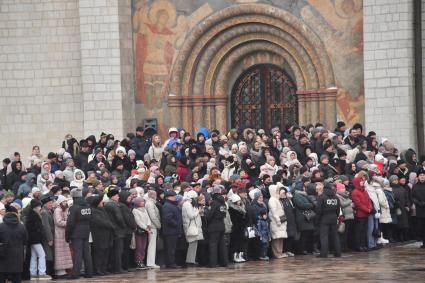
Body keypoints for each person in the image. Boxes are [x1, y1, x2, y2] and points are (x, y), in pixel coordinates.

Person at [65, 188, 93, 279]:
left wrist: (67, 236)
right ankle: (89, 273)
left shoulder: (74, 208)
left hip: (76, 233)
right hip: (86, 231)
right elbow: (91, 218)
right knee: (87, 253)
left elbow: (70, 223)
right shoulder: (87, 206)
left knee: (78, 254)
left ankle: (75, 274)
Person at [0, 205, 28, 283]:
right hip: (17, 258)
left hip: (2, 258)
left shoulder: (1, 226)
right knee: (16, 279)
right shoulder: (21, 227)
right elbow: (25, 240)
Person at [25, 199, 52, 280]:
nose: (40, 207)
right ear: (35, 207)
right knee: (42, 255)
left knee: (34, 256)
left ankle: (32, 274)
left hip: (32, 239)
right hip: (36, 239)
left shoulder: (30, 215)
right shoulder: (35, 215)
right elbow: (39, 228)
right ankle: (42, 273)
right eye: (39, 206)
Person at [315, 183, 341, 258]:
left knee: (324, 236)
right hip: (333, 218)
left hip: (324, 218)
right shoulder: (336, 197)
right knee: (335, 236)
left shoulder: (322, 197)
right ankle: (338, 252)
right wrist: (336, 216)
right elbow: (338, 209)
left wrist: (318, 220)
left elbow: (319, 210)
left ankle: (324, 253)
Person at [104, 188, 126, 273]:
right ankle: (118, 268)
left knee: (113, 250)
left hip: (111, 230)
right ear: (112, 196)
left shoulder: (106, 205)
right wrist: (123, 226)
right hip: (118, 230)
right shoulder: (114, 205)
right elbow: (119, 218)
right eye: (117, 196)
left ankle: (113, 267)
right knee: (118, 250)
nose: (118, 197)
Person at [206, 188, 228, 268]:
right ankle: (224, 262)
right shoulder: (223, 204)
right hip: (222, 225)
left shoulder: (214, 203)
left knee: (213, 245)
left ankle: (213, 263)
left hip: (214, 226)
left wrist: (206, 218)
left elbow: (210, 215)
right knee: (222, 245)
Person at [161, 190, 183, 268]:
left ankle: (171, 262)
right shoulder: (167, 206)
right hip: (170, 231)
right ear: (168, 197)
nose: (175, 197)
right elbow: (168, 219)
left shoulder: (172, 205)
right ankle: (171, 263)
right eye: (173, 196)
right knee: (170, 248)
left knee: (172, 248)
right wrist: (176, 224)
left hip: (174, 231)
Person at [53, 195, 73, 278]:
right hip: (59, 234)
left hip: (64, 233)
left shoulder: (64, 209)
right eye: (64, 201)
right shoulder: (58, 210)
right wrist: (69, 223)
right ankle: (59, 271)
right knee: (60, 253)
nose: (65, 203)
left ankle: (63, 270)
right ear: (60, 202)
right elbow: (58, 221)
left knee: (64, 253)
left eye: (66, 201)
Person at [182, 190, 203, 266]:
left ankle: (191, 260)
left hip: (192, 226)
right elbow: (191, 215)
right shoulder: (187, 204)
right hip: (190, 226)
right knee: (192, 244)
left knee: (194, 244)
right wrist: (198, 211)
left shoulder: (188, 204)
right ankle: (190, 261)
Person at [351, 176, 372, 252]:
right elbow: (358, 204)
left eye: (362, 181)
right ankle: (358, 246)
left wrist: (370, 208)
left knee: (364, 231)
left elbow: (369, 200)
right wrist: (367, 209)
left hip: (366, 213)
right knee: (359, 231)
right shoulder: (355, 192)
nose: (362, 182)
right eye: (360, 181)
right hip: (360, 215)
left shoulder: (365, 191)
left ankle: (363, 245)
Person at [268, 184, 287, 258]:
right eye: (277, 190)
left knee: (280, 238)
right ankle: (276, 254)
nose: (278, 191)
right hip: (276, 222)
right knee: (276, 238)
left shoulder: (277, 199)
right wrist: (278, 220)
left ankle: (280, 252)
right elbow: (274, 211)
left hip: (281, 221)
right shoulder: (272, 200)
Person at [132, 197, 151, 270]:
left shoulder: (144, 209)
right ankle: (138, 261)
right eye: (142, 201)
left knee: (143, 247)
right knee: (139, 247)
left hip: (146, 230)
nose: (143, 202)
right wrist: (145, 228)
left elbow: (148, 218)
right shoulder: (135, 210)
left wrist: (148, 225)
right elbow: (138, 221)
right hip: (140, 231)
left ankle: (142, 260)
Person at [145, 190, 161, 268]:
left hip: (152, 226)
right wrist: (159, 225)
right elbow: (153, 216)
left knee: (152, 245)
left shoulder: (150, 203)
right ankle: (150, 263)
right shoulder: (150, 204)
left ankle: (151, 262)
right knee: (152, 245)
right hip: (152, 226)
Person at [412, 168, 425, 248]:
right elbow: (413, 197)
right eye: (421, 175)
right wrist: (419, 203)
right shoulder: (415, 186)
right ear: (418, 177)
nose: (422, 177)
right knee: (421, 227)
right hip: (420, 209)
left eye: (423, 175)